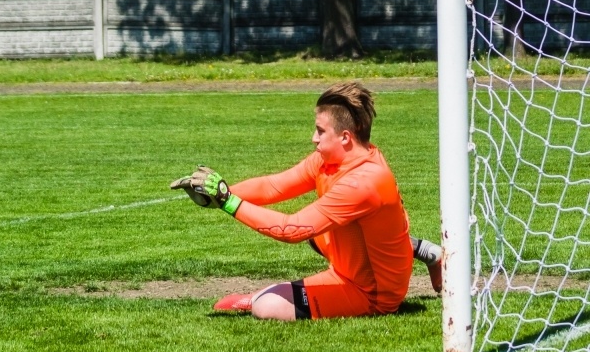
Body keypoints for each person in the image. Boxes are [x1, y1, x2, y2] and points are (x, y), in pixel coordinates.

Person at [170, 82, 442, 321]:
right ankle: (424, 250)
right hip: (362, 261)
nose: (314, 138)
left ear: (345, 137)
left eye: (320, 131)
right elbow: (274, 186)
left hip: (373, 292)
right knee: (319, 232)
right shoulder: (337, 158)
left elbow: (292, 229)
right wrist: (216, 193)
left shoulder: (363, 181)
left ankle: (259, 297)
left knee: (266, 306)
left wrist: (228, 202)